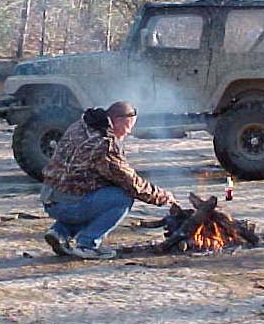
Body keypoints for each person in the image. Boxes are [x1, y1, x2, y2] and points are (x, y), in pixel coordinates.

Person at [40, 101, 179, 259]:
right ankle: (87, 245)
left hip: (50, 195)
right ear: (118, 121)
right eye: (128, 128)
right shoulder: (104, 144)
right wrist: (163, 197)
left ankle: (60, 232)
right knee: (121, 198)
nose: (128, 133)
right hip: (68, 203)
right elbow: (132, 184)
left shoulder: (81, 124)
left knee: (98, 198)